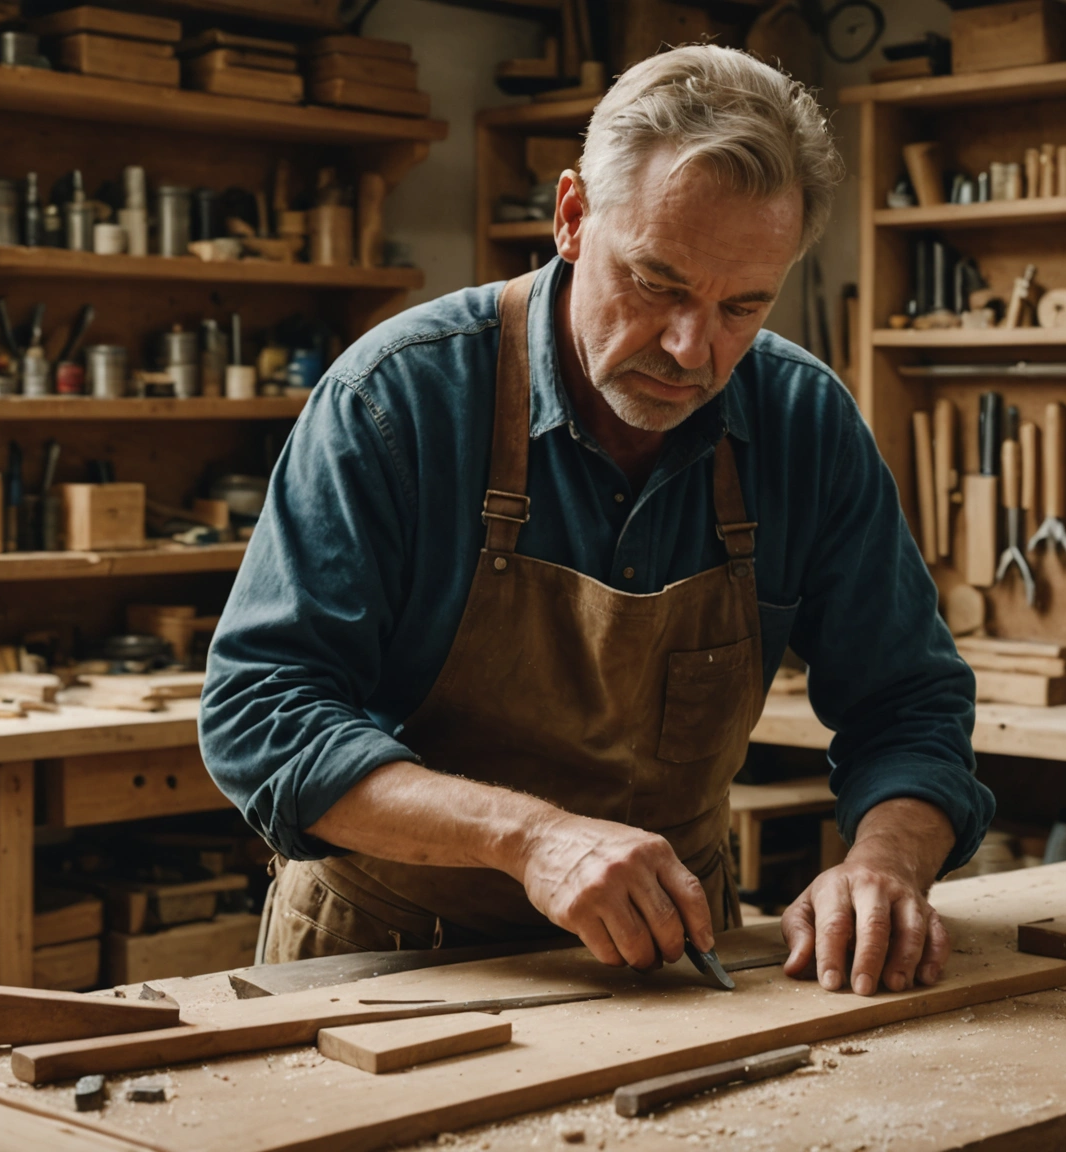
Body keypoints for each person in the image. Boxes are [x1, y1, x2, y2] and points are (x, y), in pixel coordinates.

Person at [200, 44, 992, 998]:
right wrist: (530, 838)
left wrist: (887, 865)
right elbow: (263, 716)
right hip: (392, 961)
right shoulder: (397, 398)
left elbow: (909, 706)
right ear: (572, 218)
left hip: (673, 963)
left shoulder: (802, 422)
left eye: (743, 306)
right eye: (658, 282)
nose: (692, 349)